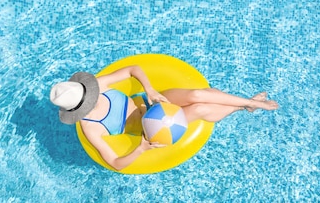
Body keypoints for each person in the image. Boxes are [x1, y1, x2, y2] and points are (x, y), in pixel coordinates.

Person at [49, 65, 278, 171]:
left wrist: (149, 89)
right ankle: (247, 105)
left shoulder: (98, 85)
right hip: (154, 126)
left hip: (154, 102)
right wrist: (141, 149)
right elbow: (116, 164)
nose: (95, 96)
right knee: (198, 108)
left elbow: (133, 69)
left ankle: (250, 103)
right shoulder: (91, 128)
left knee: (198, 94)